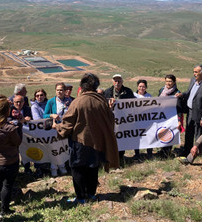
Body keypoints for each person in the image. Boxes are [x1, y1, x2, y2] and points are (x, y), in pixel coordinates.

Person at [53, 73, 119, 204]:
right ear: (95, 86)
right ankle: (91, 194)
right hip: (97, 142)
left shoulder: (78, 101)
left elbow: (67, 124)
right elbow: (110, 120)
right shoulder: (101, 101)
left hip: (79, 142)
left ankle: (81, 197)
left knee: (78, 169)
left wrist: (56, 126)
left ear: (82, 86)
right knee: (93, 168)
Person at [176, 65, 202, 157]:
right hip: (190, 111)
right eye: (194, 72)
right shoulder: (193, 81)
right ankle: (187, 151)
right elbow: (189, 92)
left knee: (198, 134)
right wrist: (182, 94)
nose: (194, 74)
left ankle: (198, 152)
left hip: (200, 114)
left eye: (196, 72)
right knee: (189, 132)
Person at [104, 74, 135, 165]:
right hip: (111, 120)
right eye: (115, 81)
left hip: (123, 120)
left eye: (119, 81)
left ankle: (120, 157)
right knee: (111, 139)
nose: (117, 83)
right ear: (113, 82)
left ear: (122, 82)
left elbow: (133, 104)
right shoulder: (107, 92)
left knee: (122, 139)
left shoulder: (128, 91)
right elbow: (103, 104)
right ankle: (111, 157)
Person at [44, 82, 73, 177]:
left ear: (65, 91)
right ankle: (54, 167)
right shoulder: (51, 101)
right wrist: (52, 115)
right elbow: (44, 114)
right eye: (58, 90)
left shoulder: (69, 101)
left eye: (61, 90)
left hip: (65, 128)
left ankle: (62, 166)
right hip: (54, 128)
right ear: (55, 91)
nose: (59, 92)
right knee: (55, 148)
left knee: (63, 147)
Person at [157, 74, 183, 158]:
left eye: (170, 81)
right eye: (167, 81)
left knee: (169, 133)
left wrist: (179, 120)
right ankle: (162, 150)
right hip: (162, 116)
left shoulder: (177, 93)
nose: (168, 83)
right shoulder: (162, 90)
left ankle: (167, 153)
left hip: (172, 117)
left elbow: (179, 108)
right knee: (161, 132)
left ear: (174, 82)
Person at [133, 79, 153, 158]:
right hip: (136, 120)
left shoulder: (149, 96)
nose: (141, 88)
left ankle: (149, 153)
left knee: (148, 136)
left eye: (143, 87)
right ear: (137, 87)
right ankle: (137, 153)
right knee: (136, 137)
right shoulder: (133, 95)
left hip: (147, 120)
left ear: (146, 87)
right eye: (140, 86)